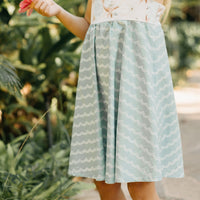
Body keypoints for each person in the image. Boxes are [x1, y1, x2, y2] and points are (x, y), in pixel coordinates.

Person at [32, 0, 185, 199]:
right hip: (100, 89)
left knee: (139, 184)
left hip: (137, 92)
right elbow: (89, 28)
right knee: (104, 184)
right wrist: (59, 12)